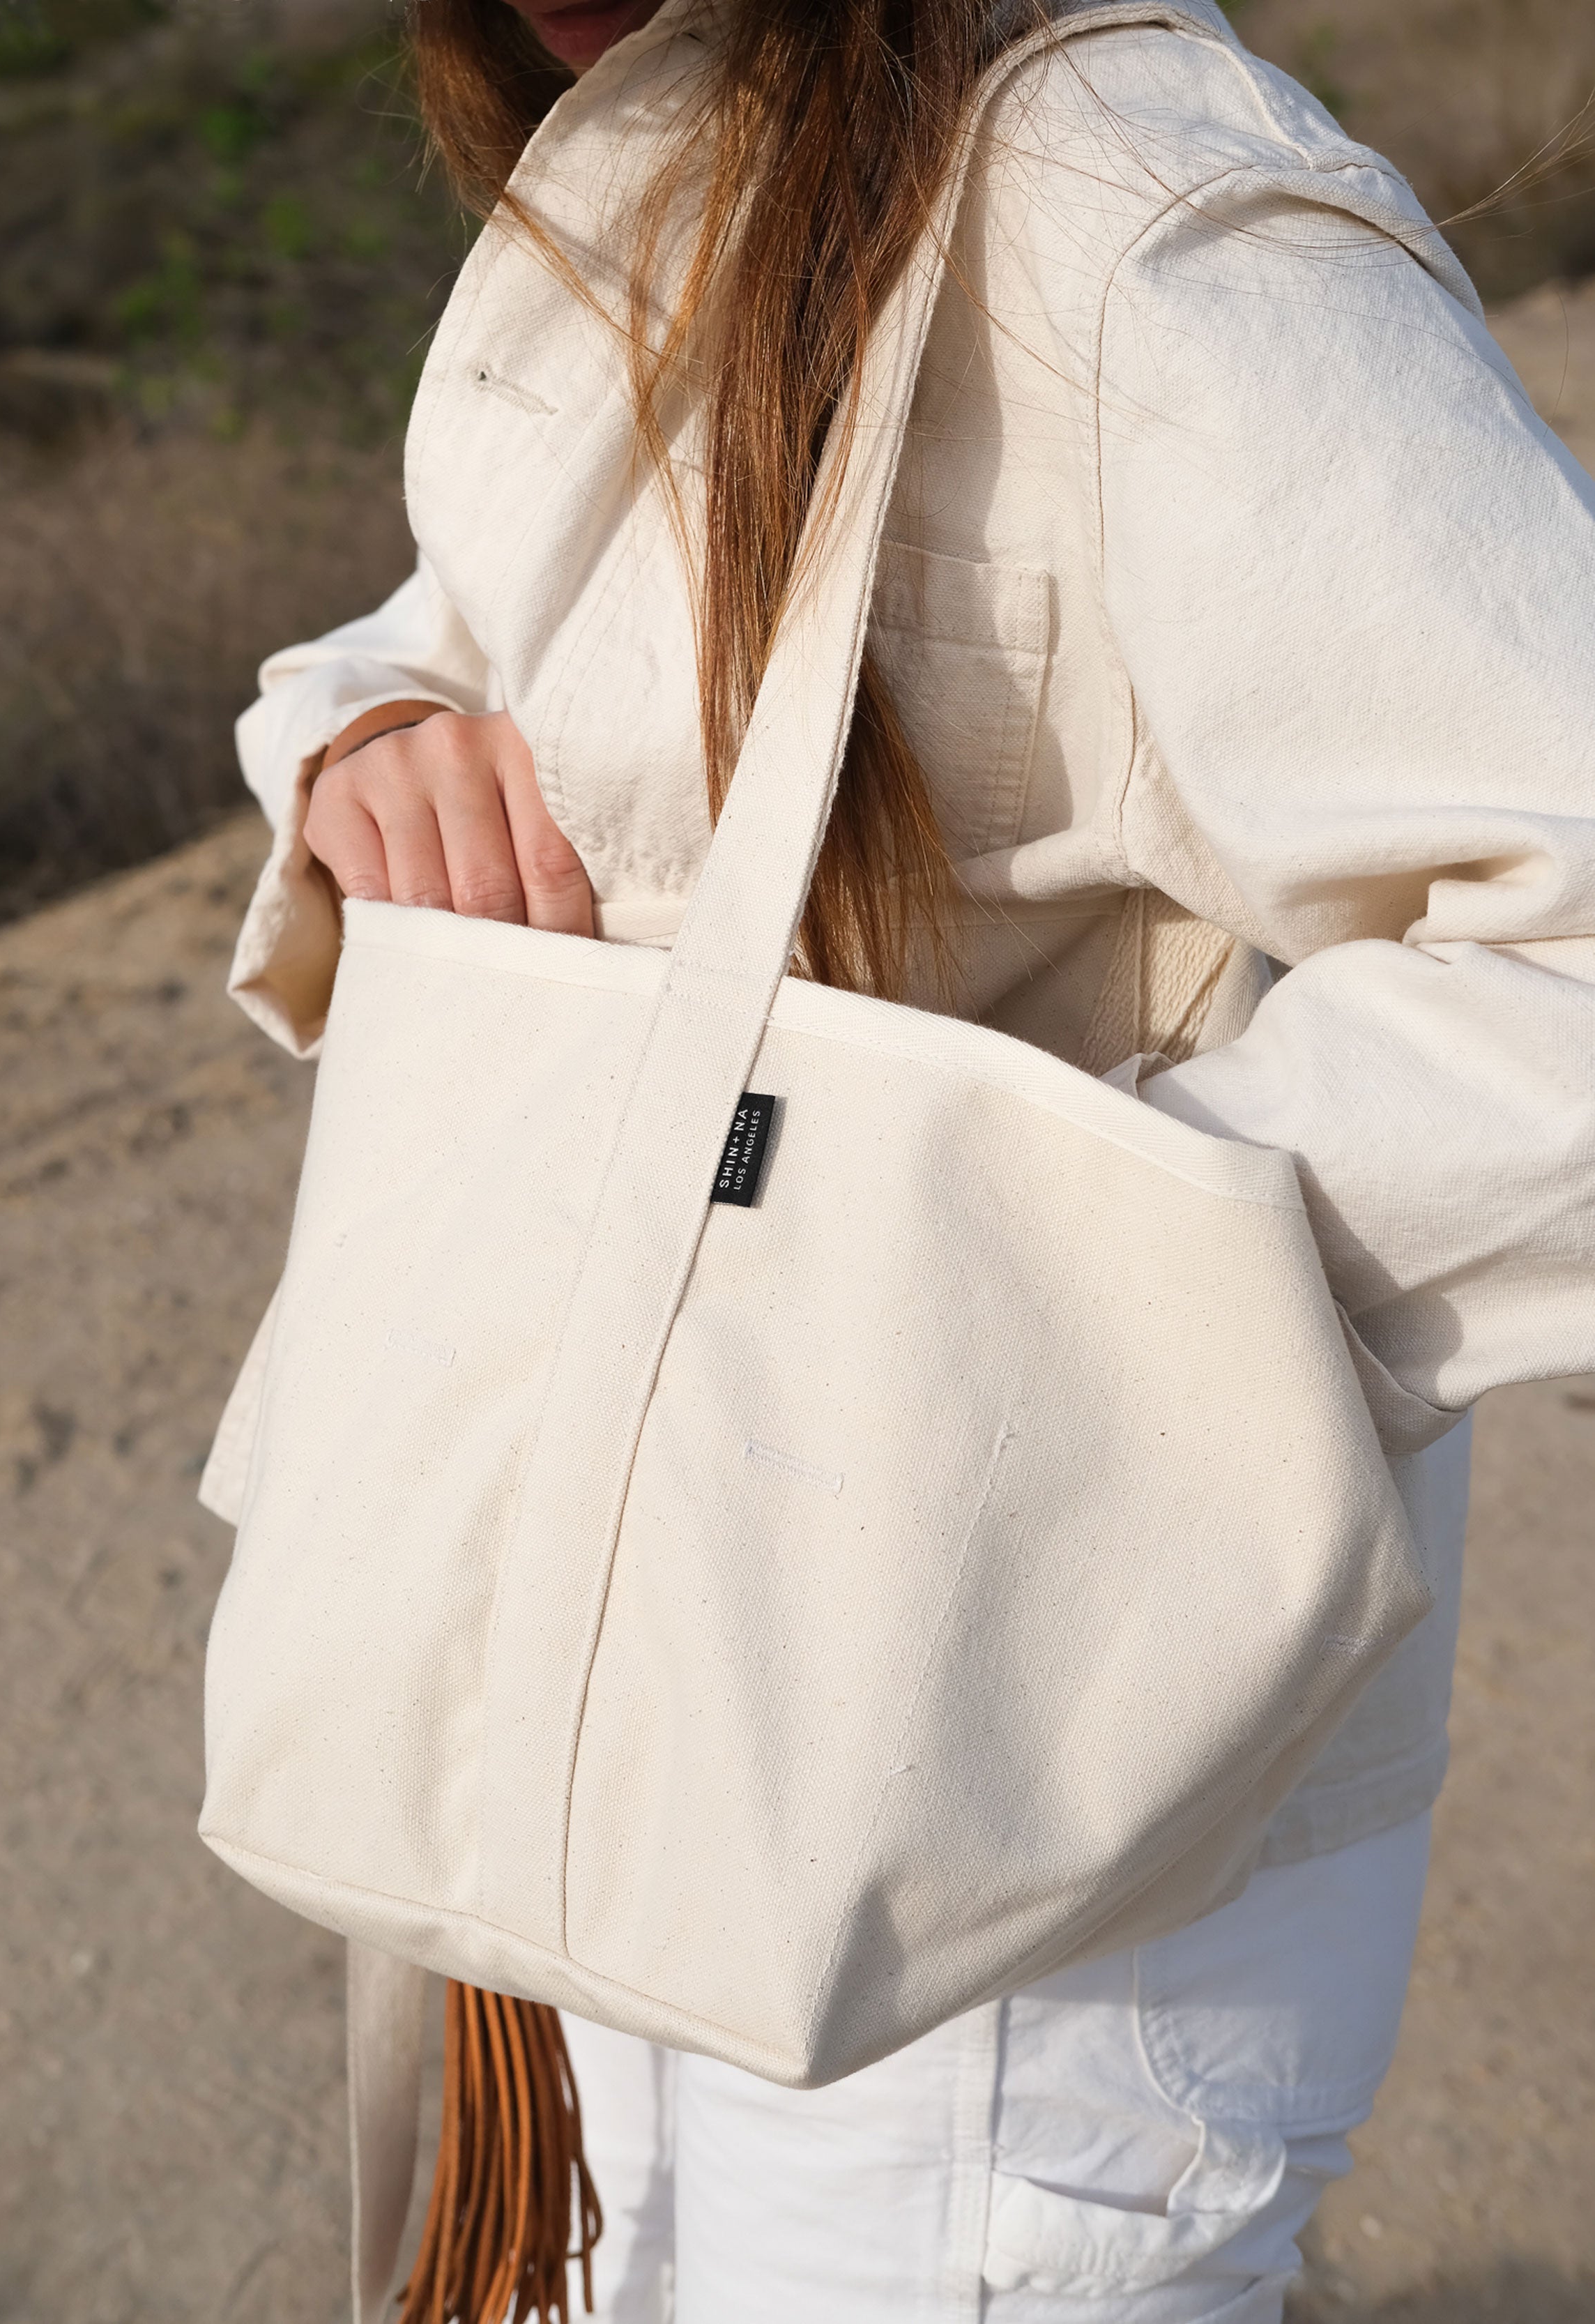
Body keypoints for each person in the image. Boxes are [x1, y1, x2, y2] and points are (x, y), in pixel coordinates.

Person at [221, 0, 1595, 2316]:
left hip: (1010, 1819)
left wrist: (1006, 1309)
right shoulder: (644, 145)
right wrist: (368, 737)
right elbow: (467, 607)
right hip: (626, 1665)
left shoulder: (1136, 222)